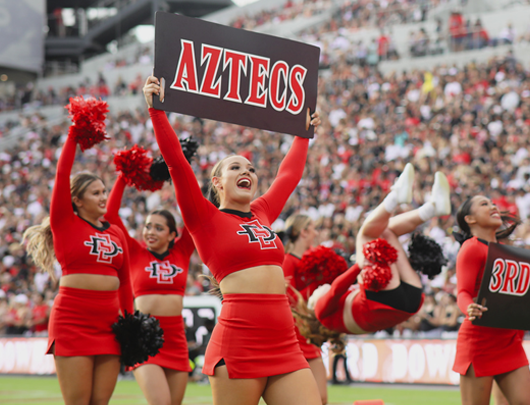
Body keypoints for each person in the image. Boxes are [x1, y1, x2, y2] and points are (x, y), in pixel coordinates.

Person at [144, 75, 323, 405]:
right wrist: (157, 112)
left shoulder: (263, 212)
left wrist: (303, 133)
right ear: (217, 182)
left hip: (285, 343)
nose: (248, 172)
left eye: (252, 169)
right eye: (236, 168)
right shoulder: (204, 218)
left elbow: (289, 175)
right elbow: (177, 165)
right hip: (239, 343)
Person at [23, 125, 133, 405]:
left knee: (100, 402)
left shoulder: (116, 232)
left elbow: (126, 282)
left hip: (109, 323)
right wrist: (75, 133)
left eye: (104, 191)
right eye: (95, 193)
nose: (102, 197)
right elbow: (62, 174)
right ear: (77, 200)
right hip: (73, 320)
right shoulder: (65, 223)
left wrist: (131, 321)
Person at [311, 164, 451, 335]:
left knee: (385, 231)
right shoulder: (320, 313)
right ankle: (395, 197)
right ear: (313, 303)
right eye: (315, 293)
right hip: (383, 303)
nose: (318, 289)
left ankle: (433, 207)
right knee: (366, 235)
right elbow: (335, 290)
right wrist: (358, 266)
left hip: (410, 302)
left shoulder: (340, 316)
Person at [105, 173, 196, 405]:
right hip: (143, 336)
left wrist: (179, 172)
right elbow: (110, 215)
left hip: (176, 337)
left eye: (158, 228)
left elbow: (196, 214)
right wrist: (123, 177)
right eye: (147, 227)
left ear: (173, 235)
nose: (150, 232)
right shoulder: (135, 252)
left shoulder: (182, 251)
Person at [453, 195, 530, 405]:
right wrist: (469, 307)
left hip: (508, 340)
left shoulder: (506, 251)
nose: (493, 206)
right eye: (484, 204)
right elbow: (462, 292)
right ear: (470, 219)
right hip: (479, 339)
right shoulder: (471, 247)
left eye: (492, 203)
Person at [282, 214, 328, 405]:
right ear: (303, 232)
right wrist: (318, 289)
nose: (316, 233)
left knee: (322, 398)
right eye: (313, 228)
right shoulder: (287, 261)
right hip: (293, 334)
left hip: (310, 333)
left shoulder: (315, 260)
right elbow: (290, 299)